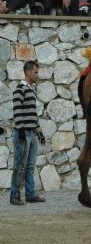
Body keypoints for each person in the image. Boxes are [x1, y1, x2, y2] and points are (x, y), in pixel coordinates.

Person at [10, 61, 45, 206]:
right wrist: (21, 129)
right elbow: (17, 111)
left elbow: (32, 114)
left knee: (30, 166)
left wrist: (39, 132)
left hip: (32, 133)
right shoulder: (20, 89)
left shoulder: (31, 89)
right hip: (22, 133)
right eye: (35, 72)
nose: (37, 75)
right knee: (20, 166)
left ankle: (30, 194)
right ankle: (14, 196)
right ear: (28, 72)